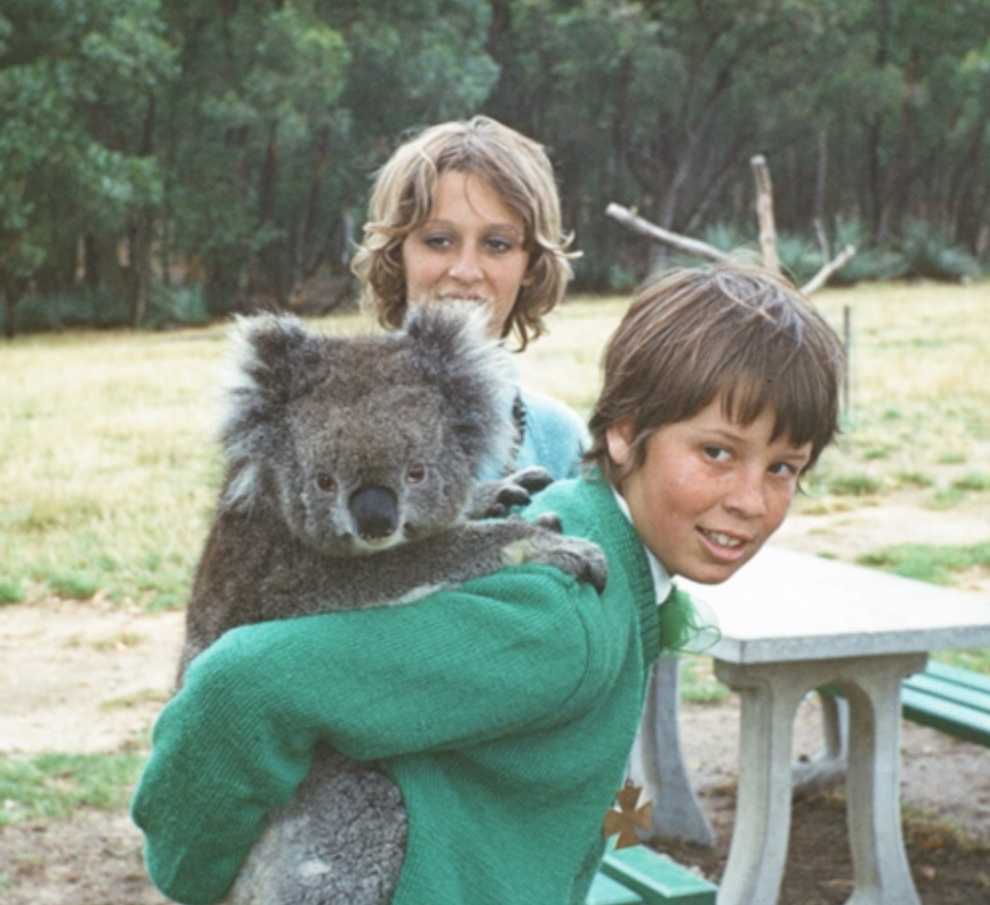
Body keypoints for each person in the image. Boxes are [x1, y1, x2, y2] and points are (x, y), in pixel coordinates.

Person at [131, 259, 846, 905]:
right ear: (625, 433)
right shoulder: (563, 614)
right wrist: (187, 868)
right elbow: (243, 686)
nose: (750, 497)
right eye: (717, 452)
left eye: (783, 466)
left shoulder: (568, 520)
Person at [351, 115, 587, 479]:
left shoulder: (560, 439)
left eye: (497, 245)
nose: (465, 270)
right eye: (439, 241)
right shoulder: (333, 416)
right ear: (399, 253)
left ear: (530, 265)